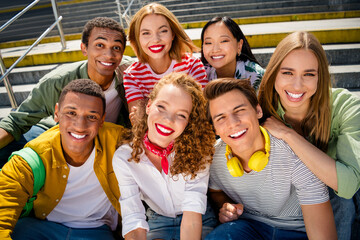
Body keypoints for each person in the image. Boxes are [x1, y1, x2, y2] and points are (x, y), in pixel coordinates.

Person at [204, 78, 336, 240]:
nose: (233, 123)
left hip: (297, 231)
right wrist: (225, 205)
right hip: (249, 228)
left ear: (258, 111)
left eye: (239, 110)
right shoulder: (214, 158)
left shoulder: (295, 154)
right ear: (215, 129)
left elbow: (324, 236)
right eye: (221, 118)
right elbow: (214, 190)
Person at [258, 31, 360, 240]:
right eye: (287, 73)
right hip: (284, 199)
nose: (297, 85)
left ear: (320, 77)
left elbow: (348, 186)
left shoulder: (346, 106)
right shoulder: (260, 109)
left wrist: (288, 134)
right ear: (274, 73)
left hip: (341, 198)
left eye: (309, 74)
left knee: (340, 199)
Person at [0, 79, 126, 240]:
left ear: (102, 120)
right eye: (71, 113)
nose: (80, 125)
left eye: (92, 116)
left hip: (96, 229)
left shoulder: (118, 141)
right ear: (57, 113)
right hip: (41, 226)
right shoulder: (33, 157)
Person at [0, 17, 134, 166]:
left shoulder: (129, 73)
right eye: (100, 45)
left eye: (116, 47)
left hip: (105, 137)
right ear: (84, 48)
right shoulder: (58, 81)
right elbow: (16, 122)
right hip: (55, 129)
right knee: (10, 151)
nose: (108, 55)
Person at [113, 72, 217, 240]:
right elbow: (133, 216)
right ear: (148, 106)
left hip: (200, 219)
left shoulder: (199, 150)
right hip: (158, 220)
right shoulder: (125, 157)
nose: (168, 119)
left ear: (189, 121)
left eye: (181, 115)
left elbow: (192, 212)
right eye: (161, 107)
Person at [123, 3, 208, 124]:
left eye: (163, 31)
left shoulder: (192, 64)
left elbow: (201, 112)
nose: (156, 39)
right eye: (146, 33)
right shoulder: (132, 75)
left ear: (172, 34)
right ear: (137, 38)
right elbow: (139, 121)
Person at [200, 16, 264, 89]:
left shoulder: (257, 76)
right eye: (208, 43)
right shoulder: (198, 73)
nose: (215, 49)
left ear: (239, 46)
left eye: (224, 41)